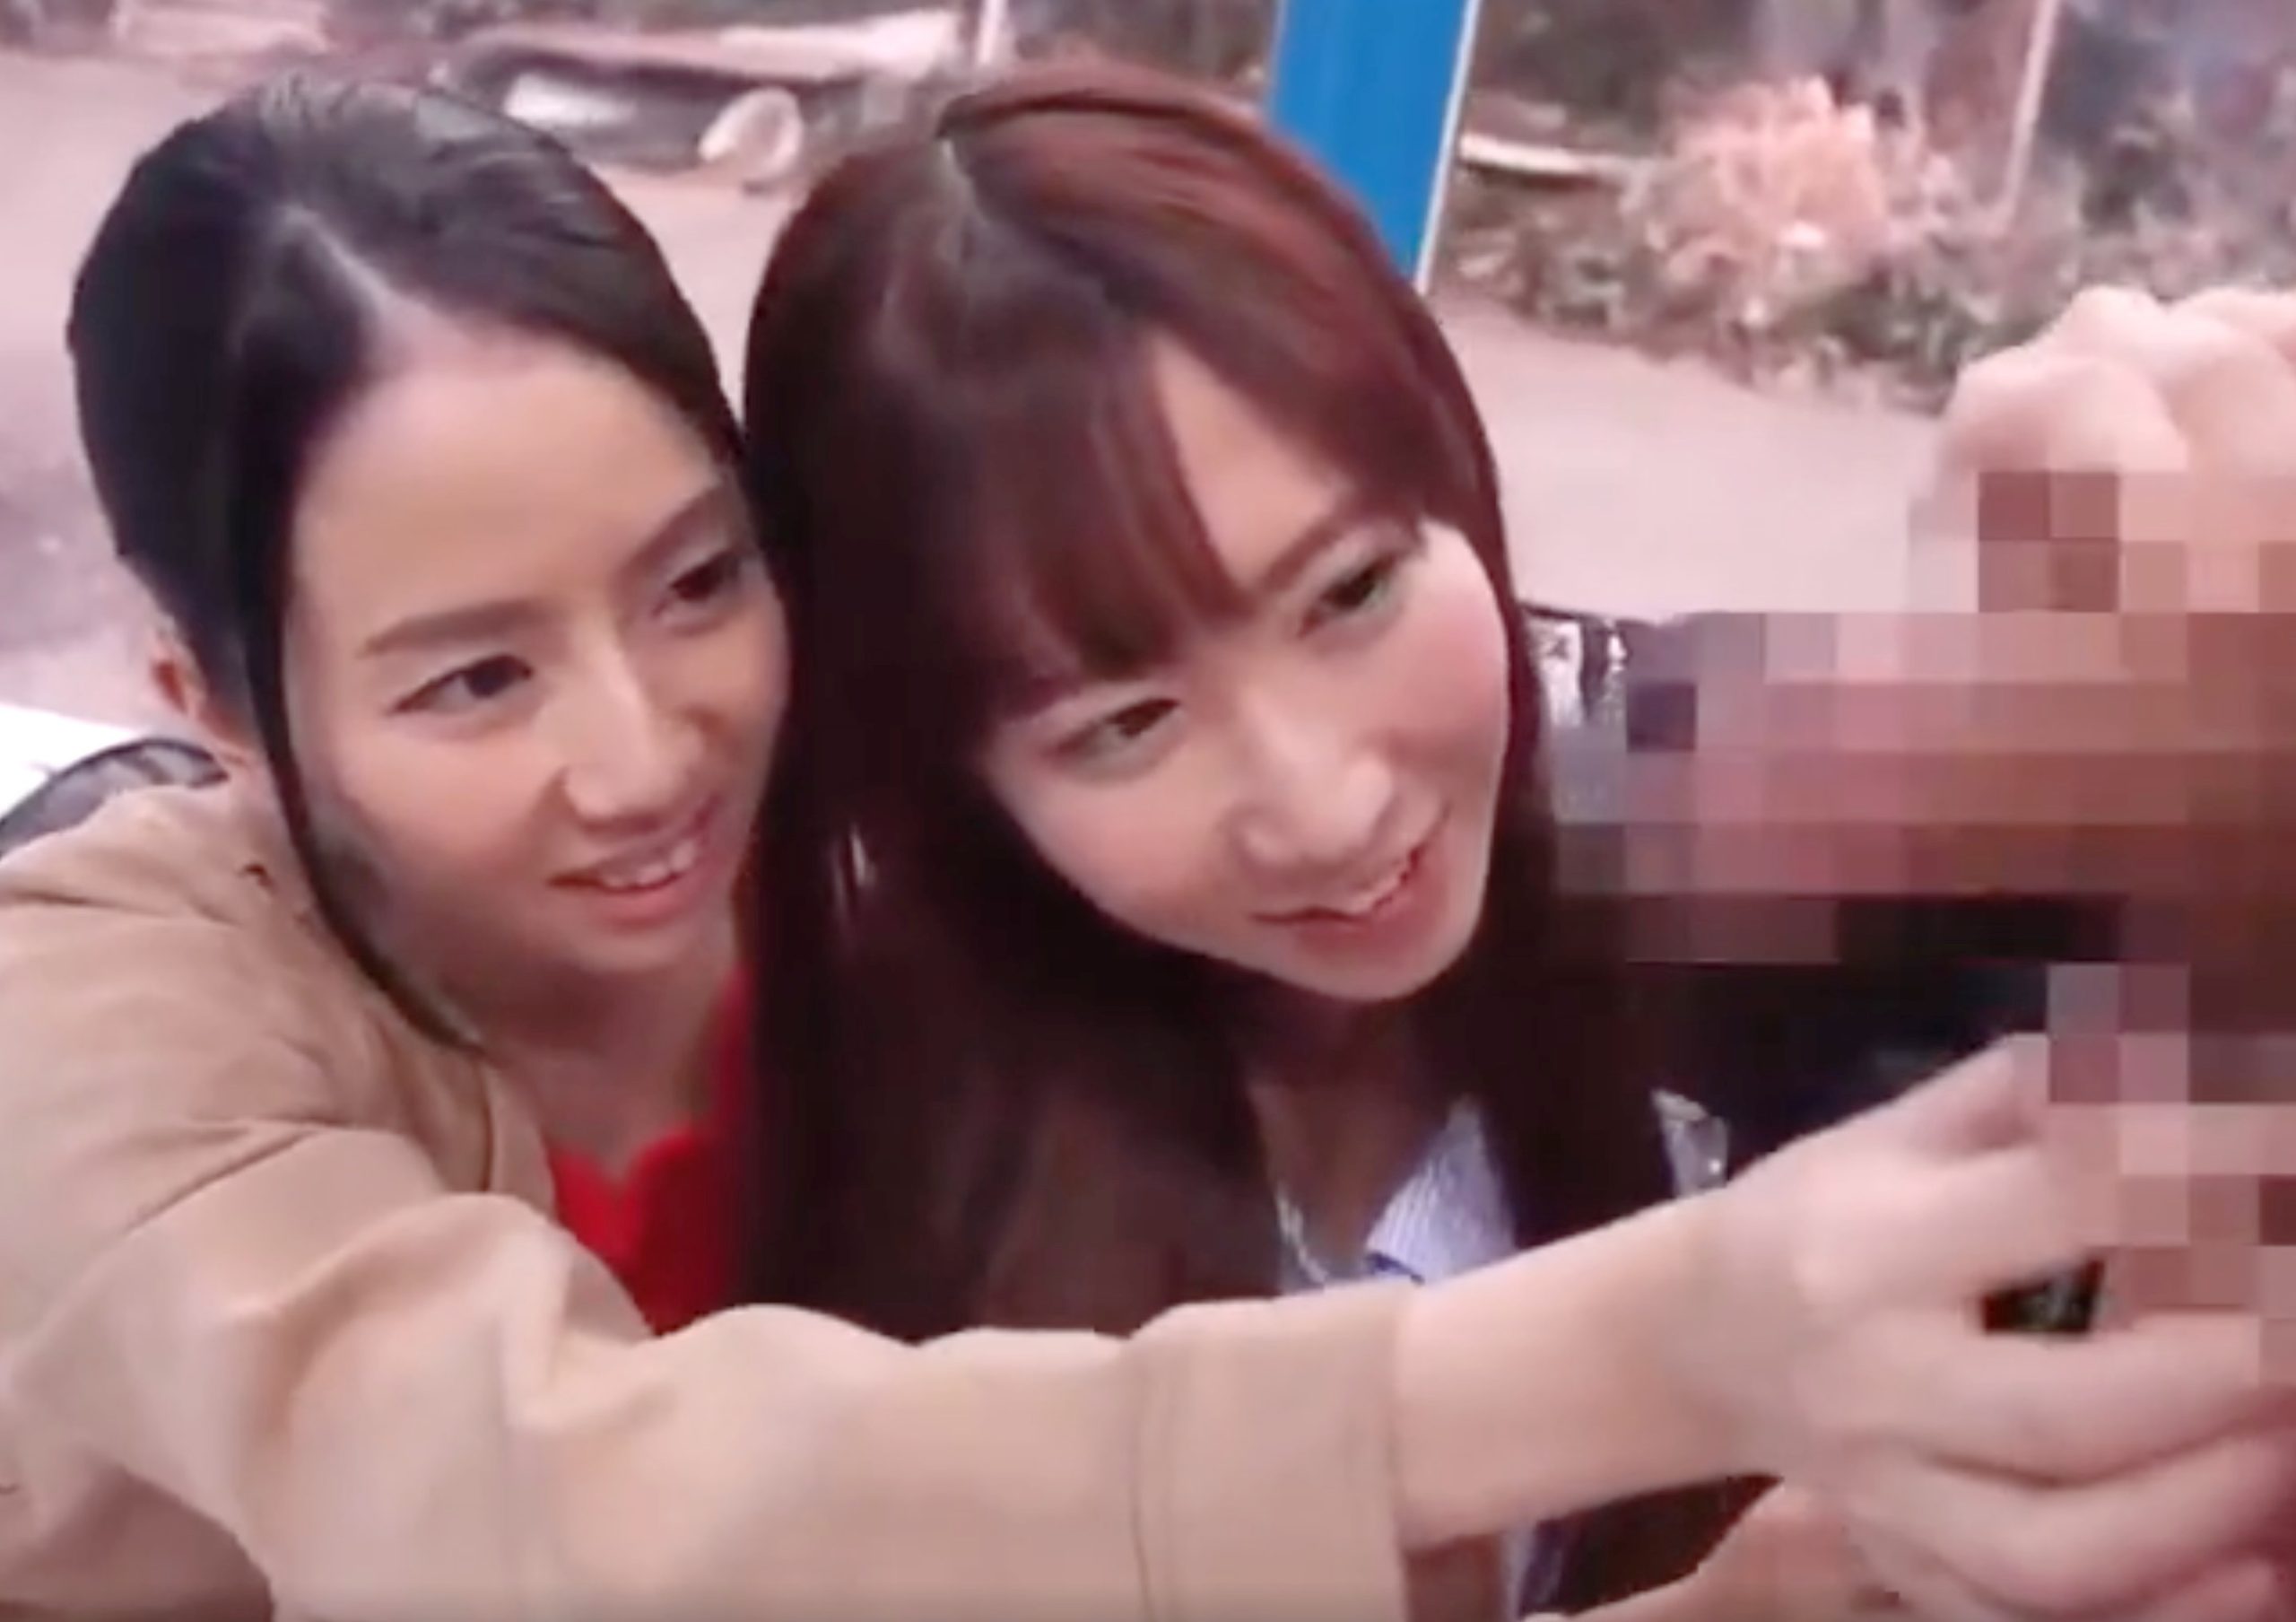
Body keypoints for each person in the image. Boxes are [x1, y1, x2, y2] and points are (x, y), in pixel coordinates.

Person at [0, 69, 2282, 1622]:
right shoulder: (104, 1018)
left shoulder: (909, 875)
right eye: (470, 679)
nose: (640, 757)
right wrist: (1681, 1345)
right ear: (213, 701)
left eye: (696, 581)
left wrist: (2164, 672)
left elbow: (1923, 765)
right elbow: (557, 1512)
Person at [735, 59, 2296, 1621]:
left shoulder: (1733, 814)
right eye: (1124, 725)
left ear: (1454, 477)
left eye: (1353, 591)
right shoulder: (868, 1148)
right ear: (949, 779)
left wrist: (2219, 759)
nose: (1325, 804)